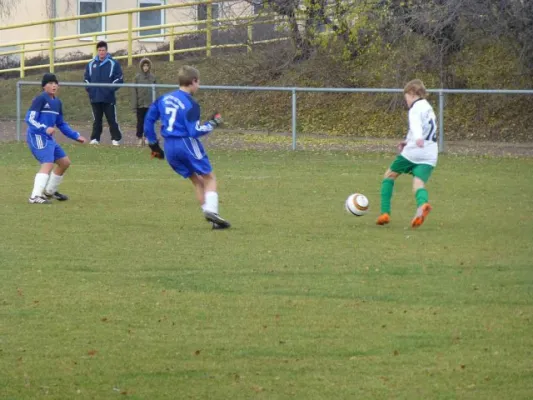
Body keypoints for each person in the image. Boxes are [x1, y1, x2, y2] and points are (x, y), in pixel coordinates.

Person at [144, 65, 231, 230]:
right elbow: (194, 131)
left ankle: (213, 218)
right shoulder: (191, 104)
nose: (198, 86)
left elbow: (149, 119)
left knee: (197, 181)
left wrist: (153, 144)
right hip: (186, 143)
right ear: (193, 81)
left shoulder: (163, 99)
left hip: (169, 147)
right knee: (209, 178)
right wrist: (212, 123)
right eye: (198, 83)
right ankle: (211, 211)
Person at [376, 79, 438, 228]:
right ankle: (422, 205)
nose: (407, 101)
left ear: (412, 93)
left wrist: (417, 139)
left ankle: (385, 213)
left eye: (406, 98)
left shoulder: (415, 109)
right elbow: (423, 127)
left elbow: (416, 126)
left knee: (389, 175)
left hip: (415, 151)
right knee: (418, 183)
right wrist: (407, 140)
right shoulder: (428, 107)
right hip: (430, 153)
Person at [25, 73, 87, 204]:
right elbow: (29, 118)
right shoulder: (40, 99)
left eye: (55, 83)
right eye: (50, 83)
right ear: (44, 86)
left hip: (48, 138)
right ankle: (35, 196)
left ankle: (49, 192)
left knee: (65, 163)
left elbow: (61, 123)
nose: (53, 86)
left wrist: (75, 136)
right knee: (47, 163)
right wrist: (44, 128)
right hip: (37, 136)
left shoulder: (57, 102)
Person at [84, 40, 124, 146]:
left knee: (111, 119)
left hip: (108, 98)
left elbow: (119, 78)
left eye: (103, 50)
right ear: (97, 51)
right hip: (95, 98)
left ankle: (116, 139)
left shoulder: (113, 63)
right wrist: (90, 90)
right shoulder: (91, 64)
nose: (101, 52)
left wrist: (109, 89)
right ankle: (95, 139)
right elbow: (86, 79)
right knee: (97, 120)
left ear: (106, 51)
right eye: (100, 50)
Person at [132, 57, 156, 146]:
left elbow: (155, 91)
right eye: (144, 66)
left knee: (148, 122)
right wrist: (135, 105)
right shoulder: (137, 78)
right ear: (141, 67)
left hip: (149, 104)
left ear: (149, 67)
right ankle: (139, 138)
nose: (145, 67)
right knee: (140, 122)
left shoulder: (153, 77)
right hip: (140, 104)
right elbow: (134, 92)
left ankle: (147, 137)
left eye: (147, 65)